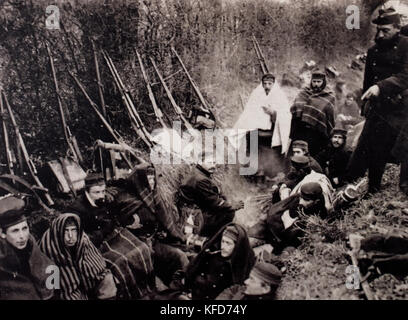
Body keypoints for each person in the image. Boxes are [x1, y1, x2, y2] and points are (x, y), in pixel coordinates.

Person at [346, 8, 408, 195]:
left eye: (385, 30)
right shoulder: (373, 50)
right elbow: (368, 81)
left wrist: (380, 87)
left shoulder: (407, 46)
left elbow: (406, 75)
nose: (380, 35)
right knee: (373, 149)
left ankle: (404, 190)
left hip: (401, 110)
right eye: (378, 30)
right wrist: (364, 104)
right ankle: (372, 188)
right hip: (380, 109)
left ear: (397, 28)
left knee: (403, 150)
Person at [111, 158, 189, 288]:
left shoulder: (154, 196)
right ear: (140, 182)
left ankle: (178, 287)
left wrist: (171, 234)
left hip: (154, 241)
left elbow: (165, 220)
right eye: (149, 179)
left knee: (180, 256)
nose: (152, 183)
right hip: (138, 246)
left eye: (153, 179)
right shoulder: (127, 201)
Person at [39, 213, 117, 300]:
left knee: (107, 280)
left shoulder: (82, 239)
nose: (70, 236)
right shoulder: (49, 247)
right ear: (59, 231)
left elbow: (97, 268)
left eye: (74, 230)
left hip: (84, 282)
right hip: (65, 291)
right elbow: (55, 285)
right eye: (66, 231)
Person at [249, 182, 329, 254]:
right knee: (252, 238)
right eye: (301, 198)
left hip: (289, 232)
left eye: (306, 200)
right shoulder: (296, 202)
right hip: (274, 221)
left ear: (316, 201)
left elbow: (322, 217)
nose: (301, 201)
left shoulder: (320, 203)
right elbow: (286, 224)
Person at [0, 196, 54, 300]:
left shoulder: (31, 246)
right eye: (15, 231)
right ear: (2, 234)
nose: (22, 236)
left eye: (24, 228)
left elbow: (51, 269)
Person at [184, 223, 255, 300]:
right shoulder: (212, 256)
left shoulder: (240, 267)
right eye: (223, 241)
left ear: (237, 246)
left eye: (228, 243)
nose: (223, 247)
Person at [178, 157, 244, 238]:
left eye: (214, 162)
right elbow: (214, 202)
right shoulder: (200, 179)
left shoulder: (200, 174)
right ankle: (212, 239)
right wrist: (231, 206)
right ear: (200, 162)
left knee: (226, 209)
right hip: (194, 214)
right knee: (228, 213)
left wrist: (227, 200)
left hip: (196, 209)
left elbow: (215, 194)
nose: (213, 165)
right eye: (210, 162)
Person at [290, 68, 336, 156]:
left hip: (316, 133)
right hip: (300, 130)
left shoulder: (329, 95)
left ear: (324, 82)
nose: (316, 84)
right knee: (296, 154)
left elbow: (330, 117)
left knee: (312, 156)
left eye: (319, 82)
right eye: (314, 81)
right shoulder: (304, 92)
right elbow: (295, 108)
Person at [68, 173, 115, 247]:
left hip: (108, 238)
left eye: (103, 191)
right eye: (96, 192)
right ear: (87, 192)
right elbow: (77, 238)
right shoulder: (76, 210)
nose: (101, 196)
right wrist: (103, 232)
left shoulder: (104, 199)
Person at [216, 261, 282, 300]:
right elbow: (232, 290)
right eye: (249, 278)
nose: (246, 282)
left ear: (266, 289)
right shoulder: (243, 289)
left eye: (252, 279)